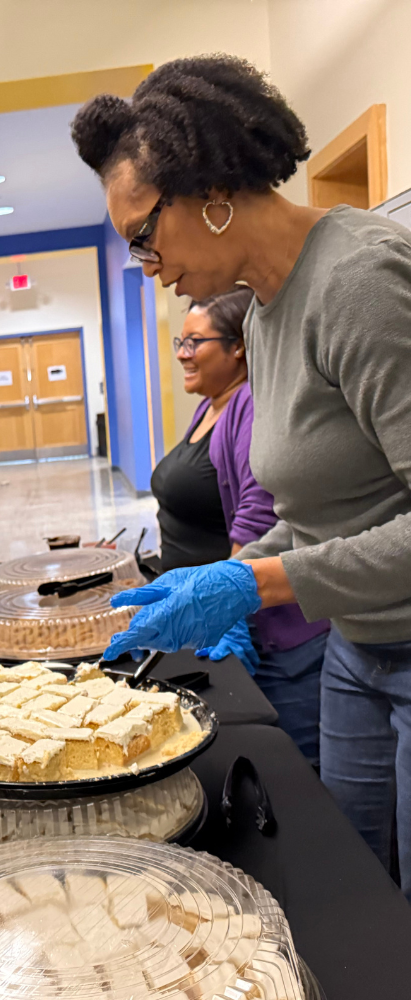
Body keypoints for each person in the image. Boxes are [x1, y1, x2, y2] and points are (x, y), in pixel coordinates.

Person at [73, 54, 411, 896]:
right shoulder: (261, 313)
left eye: (144, 234)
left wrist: (258, 580)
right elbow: (324, 508)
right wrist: (233, 570)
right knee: (355, 888)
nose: (146, 265)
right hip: (359, 650)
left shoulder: (360, 282)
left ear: (211, 190)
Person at [151, 286, 329, 764]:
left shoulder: (249, 404)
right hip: (209, 615)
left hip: (265, 629)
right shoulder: (208, 406)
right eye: (180, 343)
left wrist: (227, 605)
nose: (183, 355)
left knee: (294, 768)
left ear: (238, 347)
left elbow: (257, 514)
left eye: (195, 342)